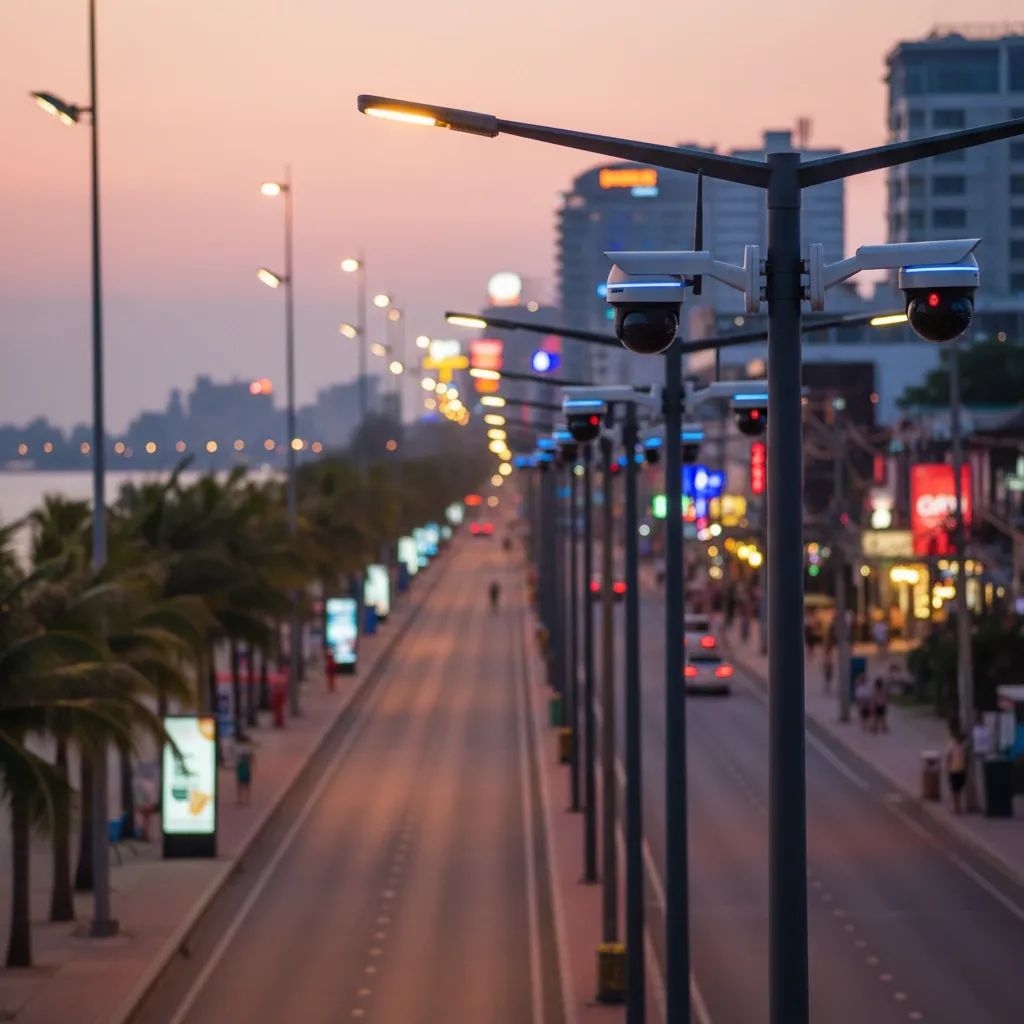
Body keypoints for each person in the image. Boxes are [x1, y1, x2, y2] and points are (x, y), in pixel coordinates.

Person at [946, 729, 968, 813]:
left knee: (958, 789)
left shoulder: (963, 747)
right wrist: (948, 768)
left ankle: (958, 807)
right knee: (955, 789)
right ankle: (957, 807)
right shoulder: (952, 745)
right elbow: (949, 757)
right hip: (954, 770)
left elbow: (965, 759)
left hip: (960, 770)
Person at [235, 740, 254, 806]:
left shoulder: (239, 749)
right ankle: (247, 800)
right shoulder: (248, 750)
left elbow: (237, 760)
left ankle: (240, 799)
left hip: (242, 768)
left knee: (240, 784)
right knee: (246, 785)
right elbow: (252, 758)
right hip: (245, 768)